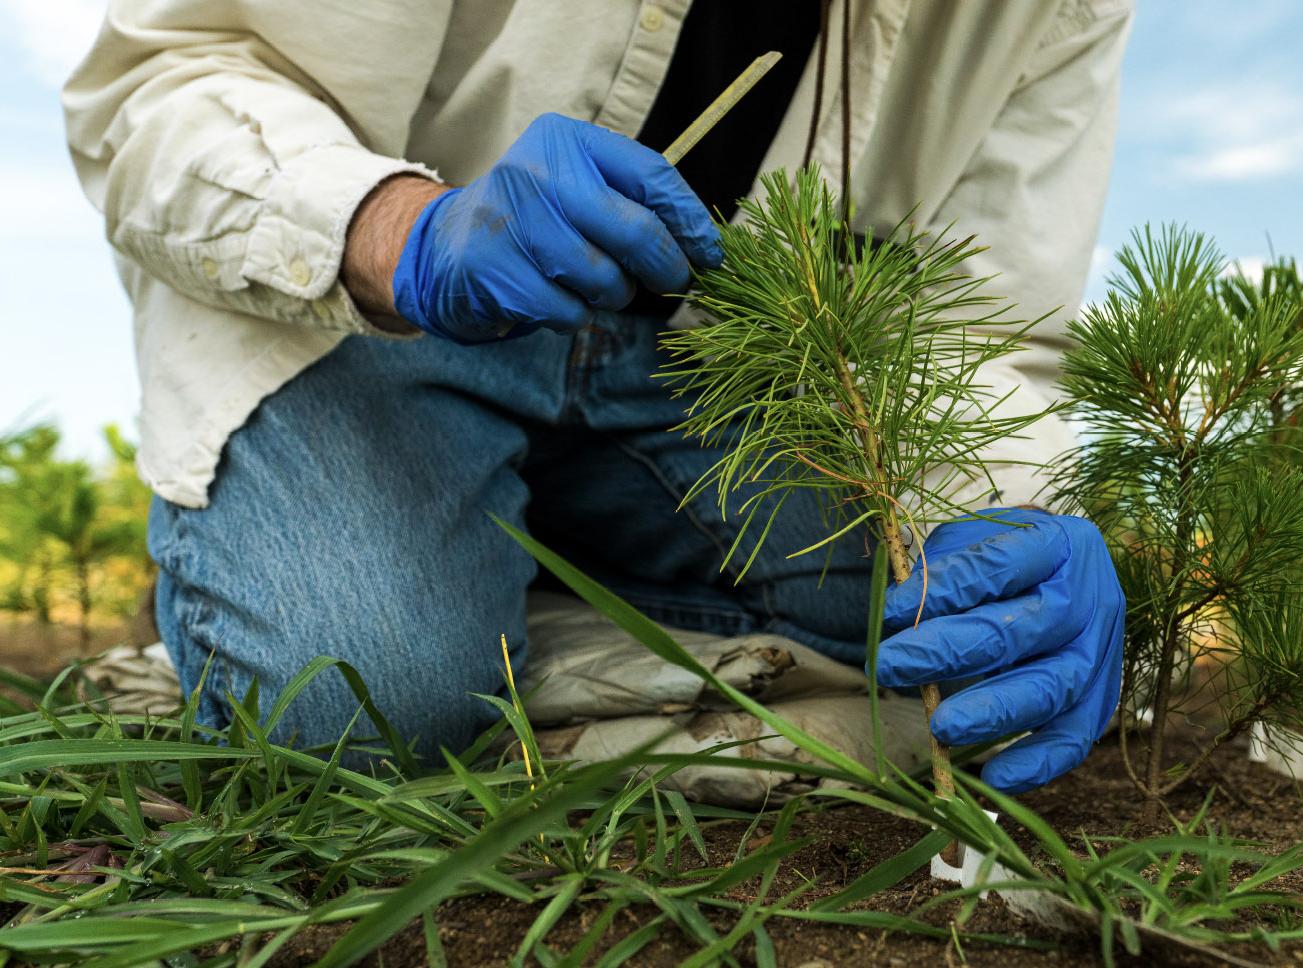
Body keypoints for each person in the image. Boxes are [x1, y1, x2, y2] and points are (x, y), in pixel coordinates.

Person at [62, 0, 1131, 794]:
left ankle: (492, 598)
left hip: (712, 382)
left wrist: (1017, 503)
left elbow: (985, 322)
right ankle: (371, 597)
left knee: (972, 637)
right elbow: (164, 83)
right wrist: (402, 229)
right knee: (354, 701)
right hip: (373, 316)